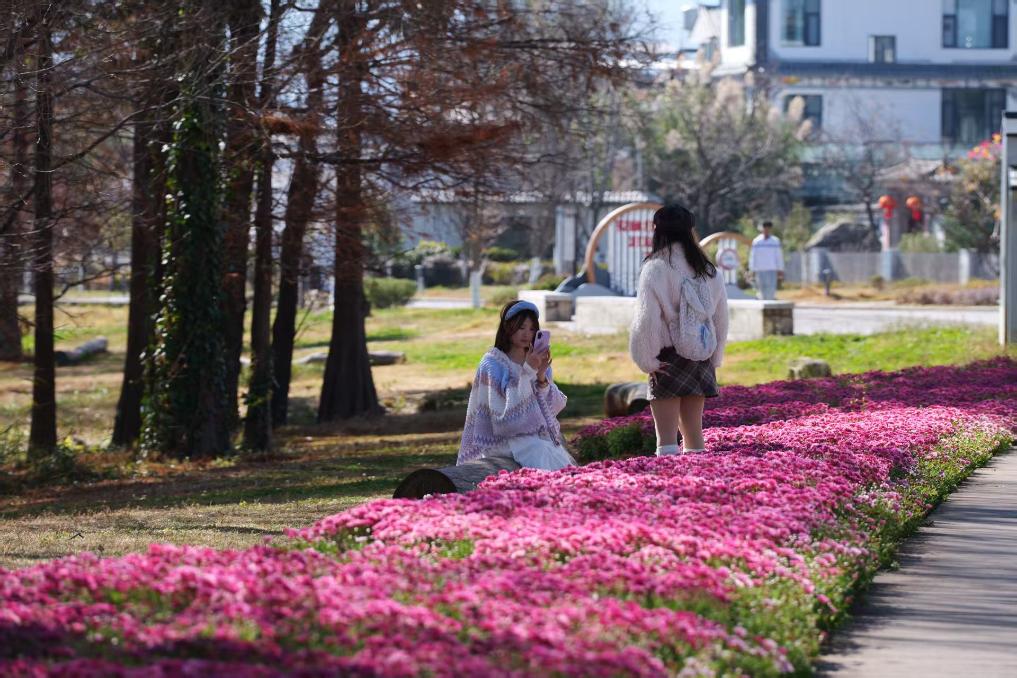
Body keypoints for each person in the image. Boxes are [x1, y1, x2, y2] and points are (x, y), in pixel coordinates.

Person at [629, 203, 729, 456]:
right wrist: (715, 357)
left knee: (666, 441)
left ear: (656, 229)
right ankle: (699, 480)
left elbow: (646, 319)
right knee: (695, 437)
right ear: (690, 230)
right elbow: (720, 318)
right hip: (701, 355)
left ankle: (668, 479)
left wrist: (647, 360)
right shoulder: (709, 270)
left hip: (667, 358)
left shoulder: (655, 268)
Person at [457, 300, 576, 470]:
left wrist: (541, 377)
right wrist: (528, 370)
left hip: (533, 438)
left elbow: (551, 409)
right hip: (501, 440)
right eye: (521, 327)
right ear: (508, 327)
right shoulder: (492, 363)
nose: (526, 334)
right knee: (539, 449)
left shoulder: (536, 358)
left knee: (550, 450)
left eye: (532, 329)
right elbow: (504, 420)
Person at [748, 220, 784, 300]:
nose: (767, 230)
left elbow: (779, 256)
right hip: (760, 270)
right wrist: (752, 269)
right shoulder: (757, 241)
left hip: (772, 269)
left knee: (771, 290)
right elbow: (753, 256)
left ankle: (770, 305)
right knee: (761, 290)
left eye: (768, 228)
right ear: (762, 229)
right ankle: (762, 305)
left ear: (770, 229)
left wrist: (780, 269)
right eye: (765, 228)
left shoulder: (775, 241)